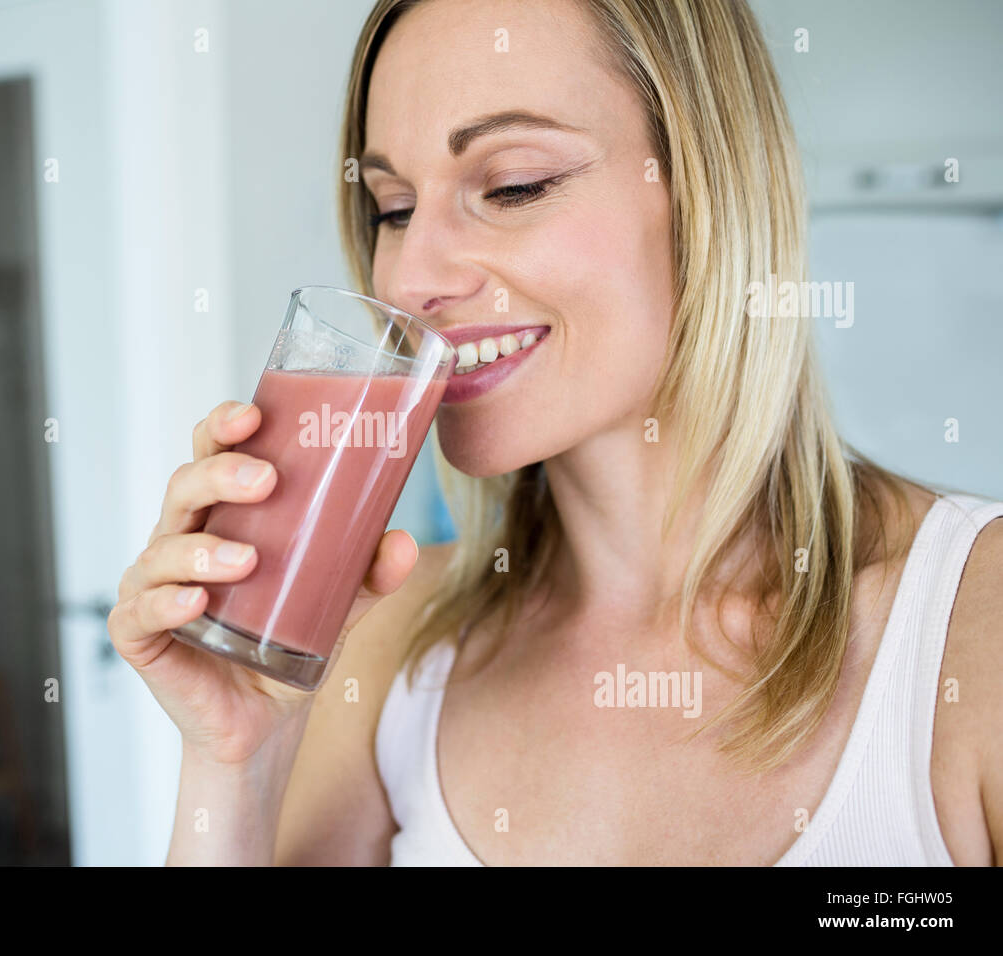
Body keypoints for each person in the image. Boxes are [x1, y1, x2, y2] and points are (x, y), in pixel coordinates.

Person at [107, 0, 1003, 865]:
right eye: (393, 208)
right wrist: (235, 767)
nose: (413, 275)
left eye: (512, 185)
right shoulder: (385, 642)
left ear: (710, 190)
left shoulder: (974, 626)